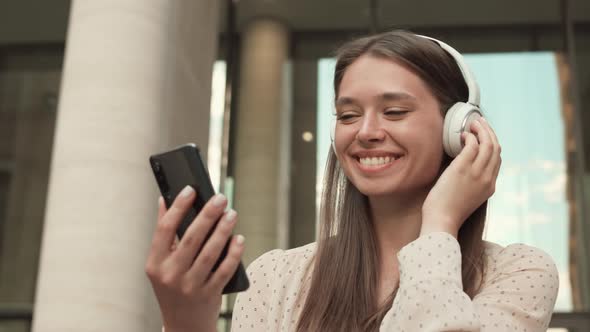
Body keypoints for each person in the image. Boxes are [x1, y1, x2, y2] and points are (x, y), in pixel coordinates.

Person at [145, 30, 559, 332]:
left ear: (460, 131)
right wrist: (187, 323)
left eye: (394, 112)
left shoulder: (519, 272)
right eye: (347, 115)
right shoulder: (278, 276)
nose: (365, 131)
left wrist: (440, 223)